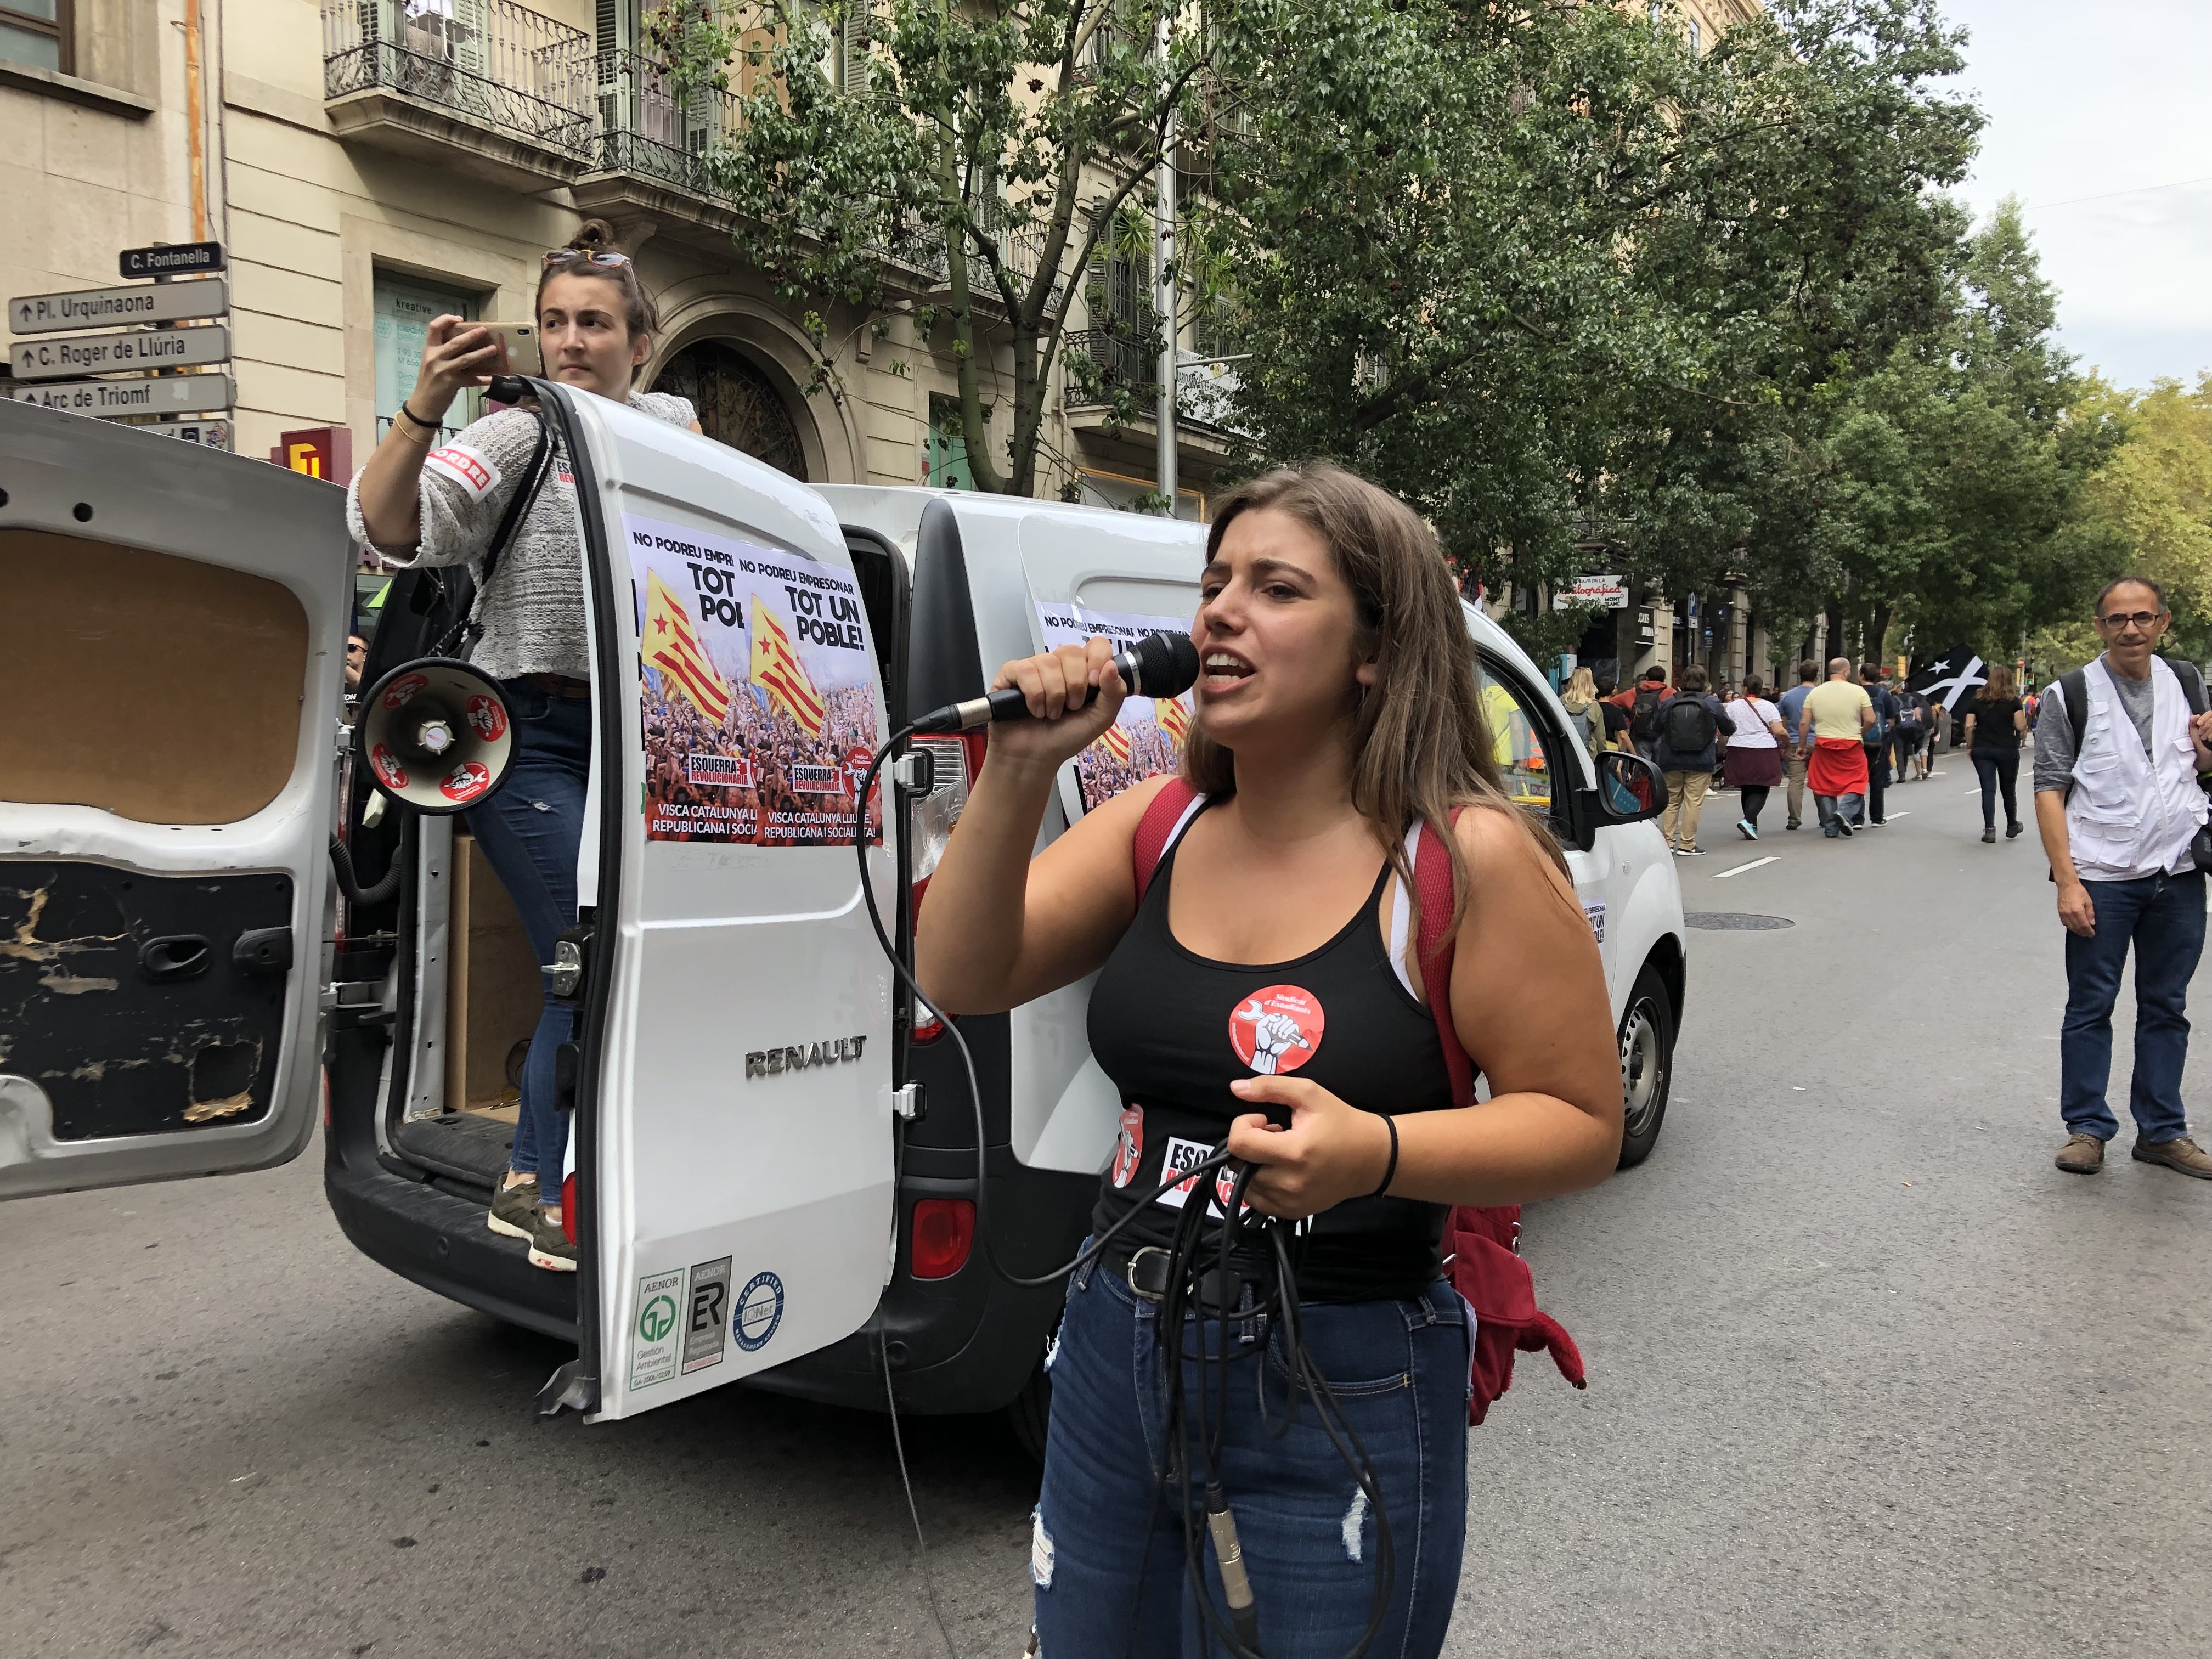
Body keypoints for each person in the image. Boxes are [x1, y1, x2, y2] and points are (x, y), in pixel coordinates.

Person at [915, 463, 1622, 1657]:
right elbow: (962, 973)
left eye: (1277, 587)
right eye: (1215, 583)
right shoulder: (1156, 823)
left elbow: (1580, 1120)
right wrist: (1023, 769)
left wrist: (1379, 1152)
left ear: (1378, 652)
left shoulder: (1470, 858)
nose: (1220, 612)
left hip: (1344, 1374)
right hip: (1112, 1348)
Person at [349, 219, 701, 1272]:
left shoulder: (672, 440)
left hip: (639, 740)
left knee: (612, 963)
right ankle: (541, 1186)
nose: (569, 341)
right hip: (527, 731)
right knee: (585, 961)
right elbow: (385, 526)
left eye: (594, 322)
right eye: (554, 322)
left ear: (640, 342)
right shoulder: (514, 431)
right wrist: (420, 409)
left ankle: (557, 1170)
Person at [2034, 577, 2212, 1180]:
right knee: (2091, 1004)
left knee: (2167, 1006)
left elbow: (2196, 769)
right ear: (2100, 627)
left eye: (2142, 617)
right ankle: (2087, 1128)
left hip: (2179, 873)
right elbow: (2050, 789)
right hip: (2103, 877)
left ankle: (2162, 1132)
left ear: (2163, 622)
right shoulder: (2072, 694)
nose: (2130, 629)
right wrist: (2067, 881)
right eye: (2117, 619)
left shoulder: (2187, 681)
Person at [1797, 657, 1873, 838]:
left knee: (1824, 786)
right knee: (1858, 781)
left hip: (1824, 745)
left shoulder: (1815, 693)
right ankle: (1844, 812)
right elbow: (1870, 719)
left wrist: (1802, 746)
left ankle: (1831, 827)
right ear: (1846, 671)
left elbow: (1804, 722)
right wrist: (1860, 733)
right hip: (1851, 744)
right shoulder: (1859, 692)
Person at [1652, 664, 1724, 855]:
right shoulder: (1711, 703)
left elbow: (1657, 728)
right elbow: (1728, 727)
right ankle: (1687, 844)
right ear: (1704, 682)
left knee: (1672, 801)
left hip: (1671, 759)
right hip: (1701, 760)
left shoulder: (1670, 702)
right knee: (1693, 802)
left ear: (1683, 681)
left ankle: (1667, 842)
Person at [1963, 664, 2028, 843]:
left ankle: (1990, 829)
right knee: (2008, 788)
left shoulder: (1976, 700)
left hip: (1982, 750)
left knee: (1988, 789)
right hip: (2007, 749)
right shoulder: (2014, 701)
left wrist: (1970, 745)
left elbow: (1969, 725)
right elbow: (2021, 726)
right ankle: (2012, 825)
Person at [1722, 676, 1786, 839]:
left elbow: (1723, 729)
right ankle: (1749, 820)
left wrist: (1724, 746)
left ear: (1745, 689)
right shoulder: (1769, 706)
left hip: (1739, 748)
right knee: (1763, 786)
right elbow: (1779, 731)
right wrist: (1787, 742)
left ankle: (1752, 825)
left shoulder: (1733, 707)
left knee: (1747, 786)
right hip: (1764, 749)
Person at [1776, 660, 1819, 830]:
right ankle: (1826, 817)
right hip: (1818, 741)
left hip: (1795, 741)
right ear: (1817, 675)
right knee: (1821, 780)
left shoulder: (1787, 696)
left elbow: (1783, 722)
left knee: (1796, 782)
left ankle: (1794, 819)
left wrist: (1785, 742)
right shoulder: (1821, 694)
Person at [1859, 662, 1897, 826]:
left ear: (1861, 676)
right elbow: (1892, 719)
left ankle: (1856, 819)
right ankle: (1877, 817)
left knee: (1858, 779)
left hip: (1857, 740)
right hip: (1879, 743)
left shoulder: (1855, 693)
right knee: (1877, 780)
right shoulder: (1884, 695)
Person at [1619, 664, 1670, 760]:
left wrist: (1628, 717)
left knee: (1643, 768)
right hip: (1662, 737)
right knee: (1660, 770)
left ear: (1647, 678)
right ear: (1664, 679)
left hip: (1640, 737)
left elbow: (1611, 702)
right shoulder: (1670, 692)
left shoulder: (1633, 692)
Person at [1561, 665, 1602, 762]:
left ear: (1572, 680)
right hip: (1587, 757)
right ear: (1589, 682)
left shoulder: (1560, 702)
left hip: (1564, 755)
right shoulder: (1594, 705)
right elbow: (1600, 738)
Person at [1890, 682, 1924, 782]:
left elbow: (1892, 715)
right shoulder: (1913, 699)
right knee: (1906, 751)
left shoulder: (1894, 700)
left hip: (1898, 729)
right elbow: (1918, 717)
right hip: (1911, 729)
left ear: (1899, 688)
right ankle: (1904, 769)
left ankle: (1902, 775)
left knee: (1899, 751)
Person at [1596, 676, 1632, 753]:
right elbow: (1623, 734)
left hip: (1593, 746)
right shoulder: (1615, 710)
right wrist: (1634, 753)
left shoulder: (1592, 707)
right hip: (1610, 747)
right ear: (1612, 691)